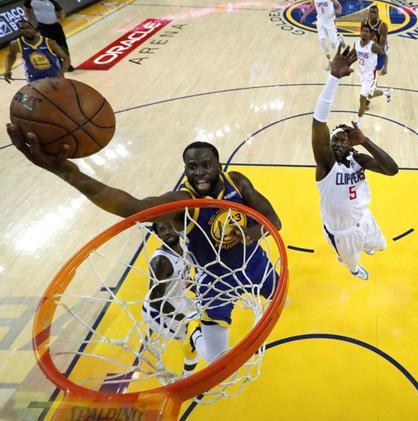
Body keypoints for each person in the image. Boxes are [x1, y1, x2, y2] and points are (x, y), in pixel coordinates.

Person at [3, 128, 282, 364]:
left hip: (255, 263)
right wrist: (70, 174)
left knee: (283, 298)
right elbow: (134, 207)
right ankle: (193, 334)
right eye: (191, 167)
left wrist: (252, 232)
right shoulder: (182, 201)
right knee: (217, 360)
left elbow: (274, 220)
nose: (199, 173)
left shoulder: (237, 182)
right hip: (214, 283)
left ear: (218, 165)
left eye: (206, 165)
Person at [311, 46, 399, 280]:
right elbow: (318, 124)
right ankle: (354, 269)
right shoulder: (326, 165)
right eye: (335, 139)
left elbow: (392, 170)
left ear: (351, 144)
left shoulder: (358, 159)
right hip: (341, 233)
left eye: (344, 139)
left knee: (381, 245)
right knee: (351, 263)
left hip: (365, 220)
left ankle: (368, 246)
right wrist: (333, 79)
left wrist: (366, 141)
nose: (339, 143)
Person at [142, 221, 199, 376]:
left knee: (207, 317)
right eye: (162, 229)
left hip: (176, 299)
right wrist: (185, 320)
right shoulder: (161, 261)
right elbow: (155, 299)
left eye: (170, 226)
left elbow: (184, 277)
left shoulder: (185, 248)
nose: (167, 231)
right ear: (157, 235)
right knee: (195, 335)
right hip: (157, 311)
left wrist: (199, 290)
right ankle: (186, 378)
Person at [23, 0, 74, 72]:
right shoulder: (30, 0)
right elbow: (26, 9)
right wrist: (28, 19)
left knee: (63, 46)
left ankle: (68, 64)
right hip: (44, 27)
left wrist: (61, 19)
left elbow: (62, 11)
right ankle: (59, 65)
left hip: (56, 27)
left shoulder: (50, 1)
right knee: (51, 48)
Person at [3, 19, 69, 83]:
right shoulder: (15, 44)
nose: (26, 30)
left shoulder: (49, 42)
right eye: (22, 28)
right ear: (19, 31)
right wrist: (7, 70)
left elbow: (66, 58)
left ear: (33, 28)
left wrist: (61, 73)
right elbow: (11, 56)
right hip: (34, 79)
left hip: (54, 76)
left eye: (28, 27)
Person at [300, 0, 344, 70]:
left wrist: (339, 9)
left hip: (330, 21)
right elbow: (311, 7)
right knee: (322, 42)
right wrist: (305, 15)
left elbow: (338, 4)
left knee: (333, 44)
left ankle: (340, 39)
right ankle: (330, 61)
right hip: (320, 22)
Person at [355, 23, 391, 122]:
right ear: (360, 32)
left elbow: (385, 55)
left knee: (362, 99)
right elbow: (356, 56)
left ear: (370, 34)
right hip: (361, 74)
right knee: (369, 95)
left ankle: (357, 124)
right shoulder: (357, 44)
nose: (365, 33)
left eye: (367, 31)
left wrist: (385, 67)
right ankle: (387, 92)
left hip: (371, 75)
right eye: (363, 31)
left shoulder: (373, 46)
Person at [362, 5, 390, 74]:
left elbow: (381, 47)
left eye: (375, 13)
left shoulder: (383, 26)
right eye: (371, 12)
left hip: (380, 44)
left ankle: (385, 67)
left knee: (377, 66)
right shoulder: (364, 22)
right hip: (370, 44)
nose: (373, 14)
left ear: (377, 14)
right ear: (368, 13)